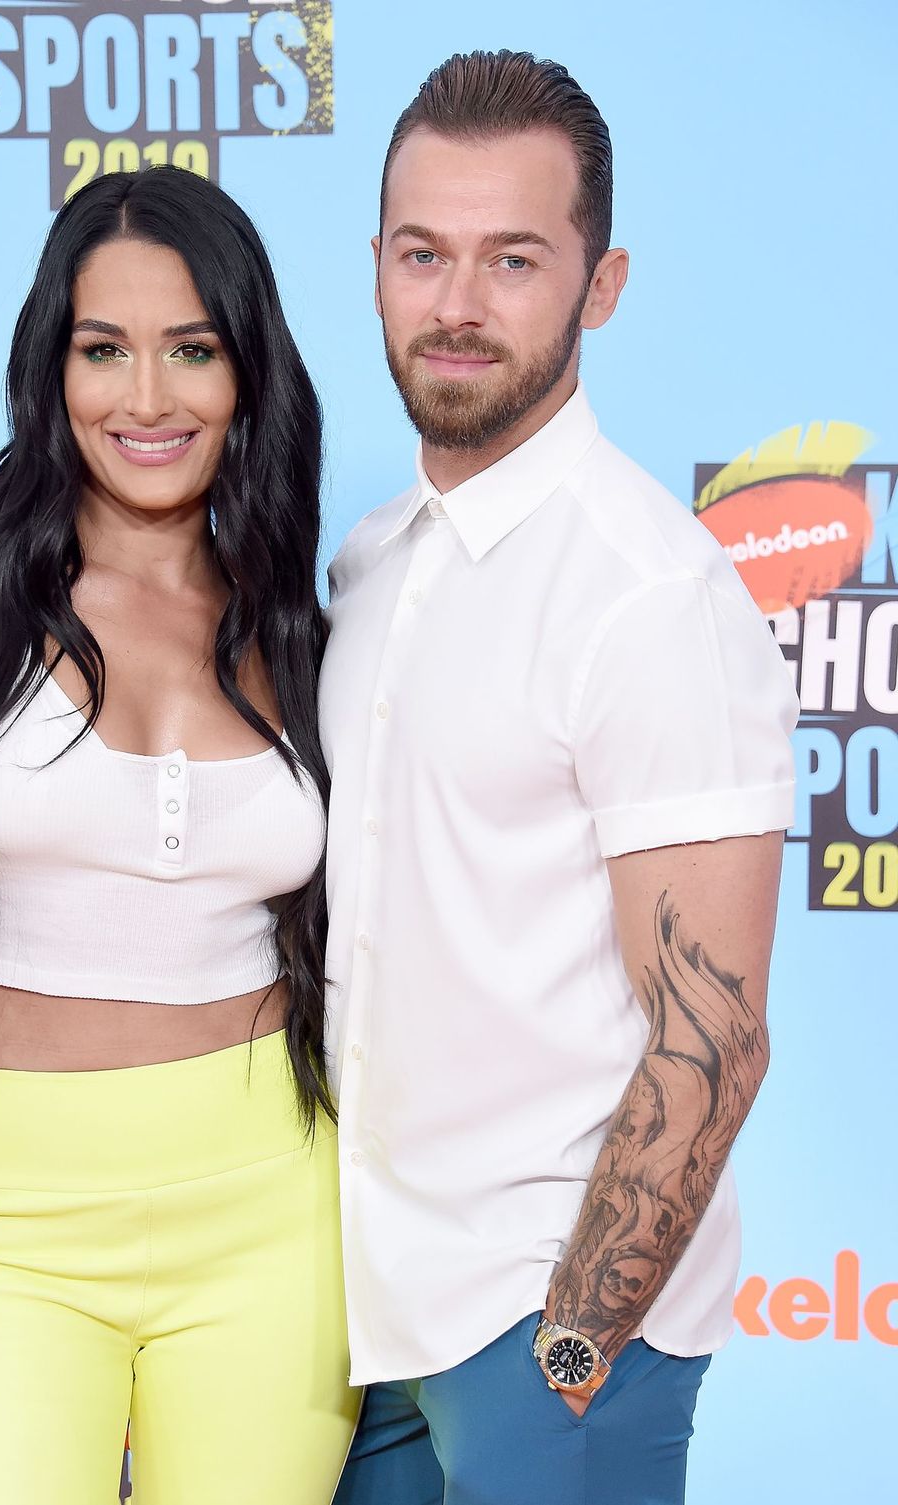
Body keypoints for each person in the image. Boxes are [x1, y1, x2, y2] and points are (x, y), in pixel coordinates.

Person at [0, 166, 359, 1505]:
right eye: (103, 349)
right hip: (7, 1220)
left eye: (192, 351)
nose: (146, 398)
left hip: (273, 1215)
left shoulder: (303, 626)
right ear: (51, 368)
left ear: (247, 373)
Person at [320, 50, 800, 1505]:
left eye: (514, 259)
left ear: (603, 283)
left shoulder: (646, 593)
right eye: (425, 254)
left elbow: (711, 1039)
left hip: (547, 1326)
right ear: (381, 266)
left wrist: (575, 1350)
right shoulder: (372, 563)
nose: (458, 305)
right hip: (369, 1311)